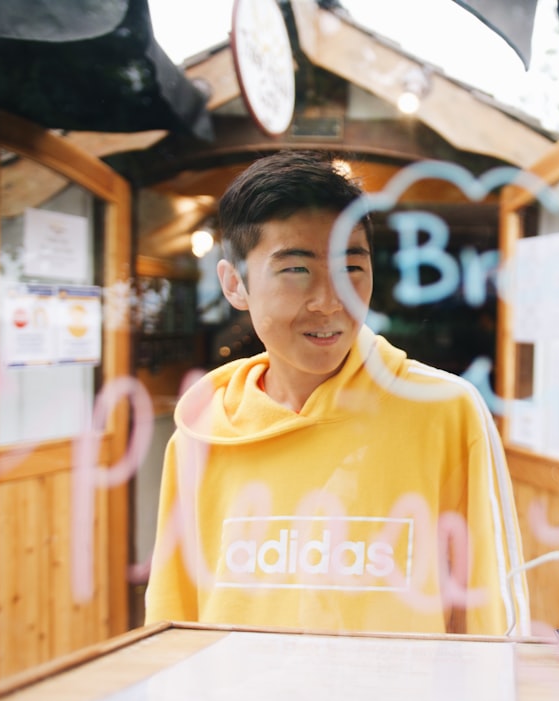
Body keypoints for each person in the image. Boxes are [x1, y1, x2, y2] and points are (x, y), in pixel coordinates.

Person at [144, 150, 531, 636]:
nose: (330, 302)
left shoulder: (444, 411)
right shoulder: (201, 432)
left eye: (351, 267)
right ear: (235, 284)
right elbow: (173, 619)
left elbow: (489, 613)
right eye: (296, 270)